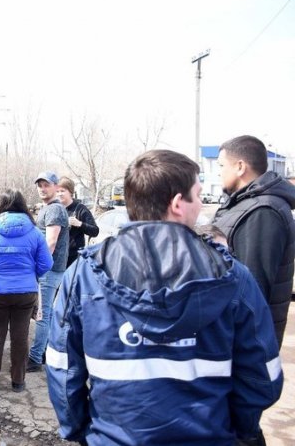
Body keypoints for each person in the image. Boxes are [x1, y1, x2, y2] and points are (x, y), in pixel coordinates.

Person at [45, 149, 283, 445]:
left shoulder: (83, 275)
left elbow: (62, 369)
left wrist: (84, 432)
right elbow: (262, 378)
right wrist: (237, 429)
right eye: (198, 195)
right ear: (178, 204)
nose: (202, 206)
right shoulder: (233, 276)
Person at [213, 135, 295, 350]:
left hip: (246, 347)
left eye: (221, 165)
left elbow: (253, 291)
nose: (218, 172)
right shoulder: (245, 205)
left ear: (240, 167)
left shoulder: (262, 212)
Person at [0, 189, 52, 392]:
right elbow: (46, 263)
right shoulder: (34, 233)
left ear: (2, 205)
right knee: (20, 336)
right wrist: (30, 273)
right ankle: (18, 382)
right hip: (26, 293)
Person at [27, 171, 69, 372]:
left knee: (42, 314)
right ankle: (46, 352)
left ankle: (35, 358)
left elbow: (50, 243)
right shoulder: (49, 208)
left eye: (46, 185)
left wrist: (37, 268)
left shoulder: (54, 210)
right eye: (40, 185)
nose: (42, 189)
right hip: (51, 270)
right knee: (48, 313)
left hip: (48, 270)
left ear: (55, 186)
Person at [56, 177, 99, 267]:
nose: (59, 194)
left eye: (62, 191)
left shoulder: (80, 209)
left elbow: (95, 231)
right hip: (57, 257)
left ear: (71, 192)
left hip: (74, 259)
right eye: (57, 191)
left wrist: (79, 224)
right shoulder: (55, 209)